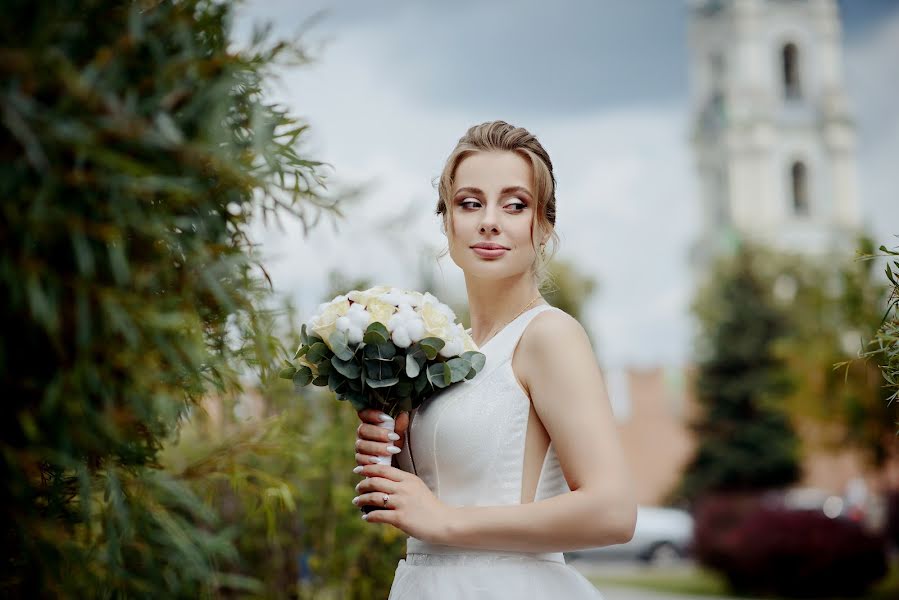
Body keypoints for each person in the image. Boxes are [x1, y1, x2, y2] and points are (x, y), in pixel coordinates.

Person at [352, 120, 637, 598]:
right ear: (446, 222)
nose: (489, 220)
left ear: (543, 226)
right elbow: (436, 503)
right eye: (470, 202)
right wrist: (389, 458)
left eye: (515, 204)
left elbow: (613, 512)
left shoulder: (549, 336)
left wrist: (446, 521)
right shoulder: (447, 353)